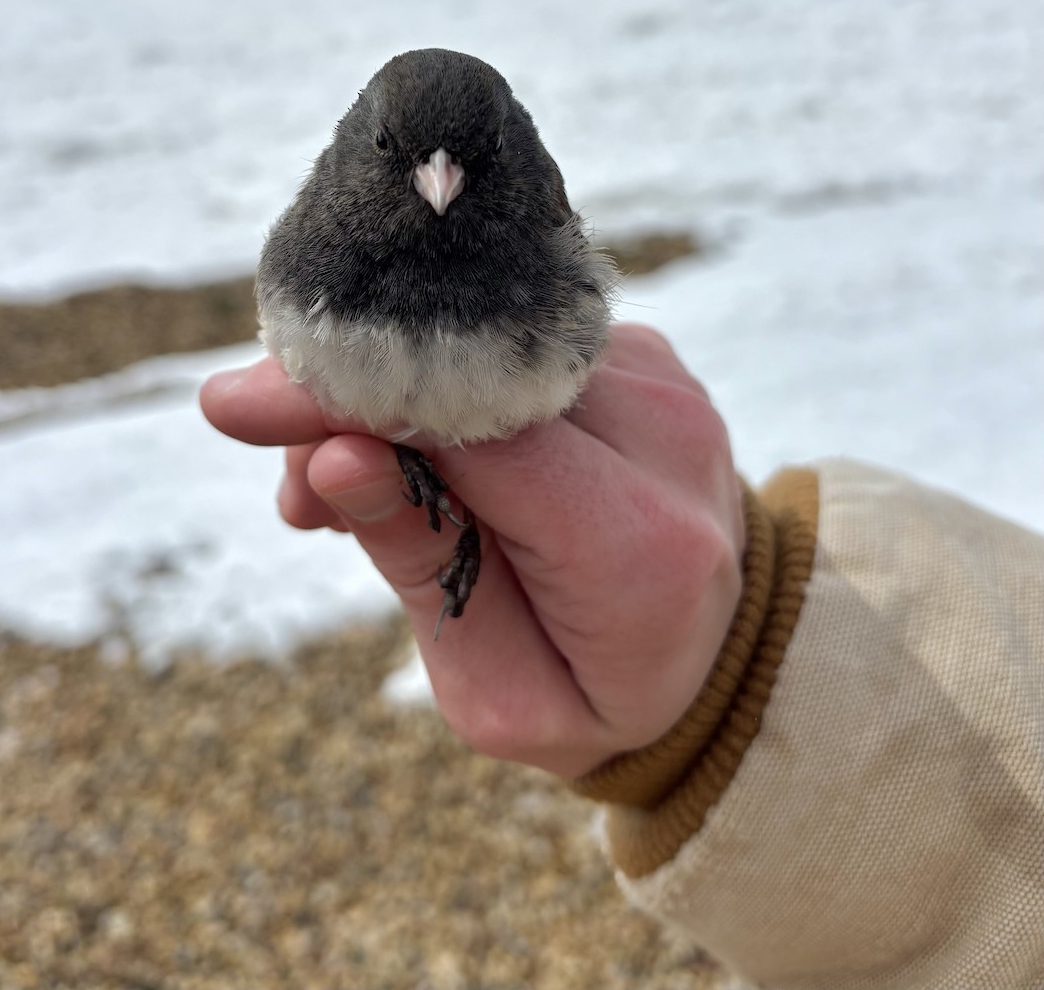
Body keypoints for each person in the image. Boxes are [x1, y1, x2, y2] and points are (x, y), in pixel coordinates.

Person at [200, 323, 1044, 989]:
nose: (441, 181)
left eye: (465, 160)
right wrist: (739, 646)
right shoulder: (313, 256)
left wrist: (736, 676)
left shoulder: (515, 217)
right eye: (406, 160)